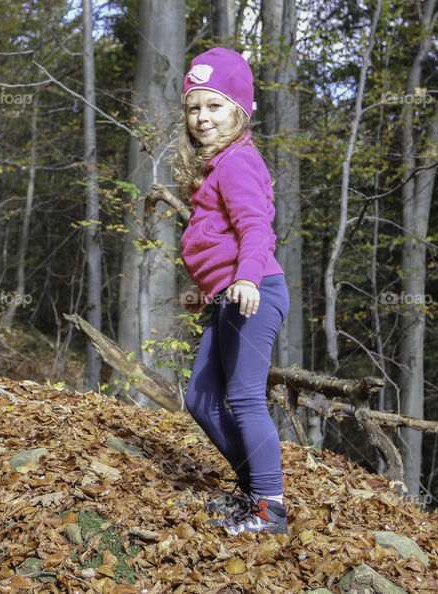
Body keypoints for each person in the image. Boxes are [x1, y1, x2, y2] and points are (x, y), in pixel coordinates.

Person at [172, 47, 290, 536]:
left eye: (215, 105)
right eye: (194, 107)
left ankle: (270, 509)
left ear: (240, 110)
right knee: (201, 399)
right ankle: (255, 493)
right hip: (230, 295)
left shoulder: (239, 162)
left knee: (243, 398)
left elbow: (256, 227)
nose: (202, 117)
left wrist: (243, 277)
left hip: (255, 289)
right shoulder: (216, 167)